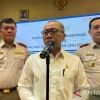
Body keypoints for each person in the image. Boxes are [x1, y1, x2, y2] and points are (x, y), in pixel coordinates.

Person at [18, 20, 89, 100]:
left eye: (53, 31)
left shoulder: (75, 60)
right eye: (45, 32)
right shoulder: (32, 60)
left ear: (63, 36)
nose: (48, 35)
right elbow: (23, 87)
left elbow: (83, 88)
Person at [0, 18, 29, 100]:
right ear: (0, 31)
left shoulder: (23, 49)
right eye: (6, 28)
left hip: (16, 94)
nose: (9, 31)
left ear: (15, 32)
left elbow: (28, 72)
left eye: (13, 28)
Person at [76, 17, 100, 100]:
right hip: (91, 97)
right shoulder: (82, 51)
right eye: (96, 27)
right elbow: (76, 74)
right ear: (89, 32)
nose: (99, 30)